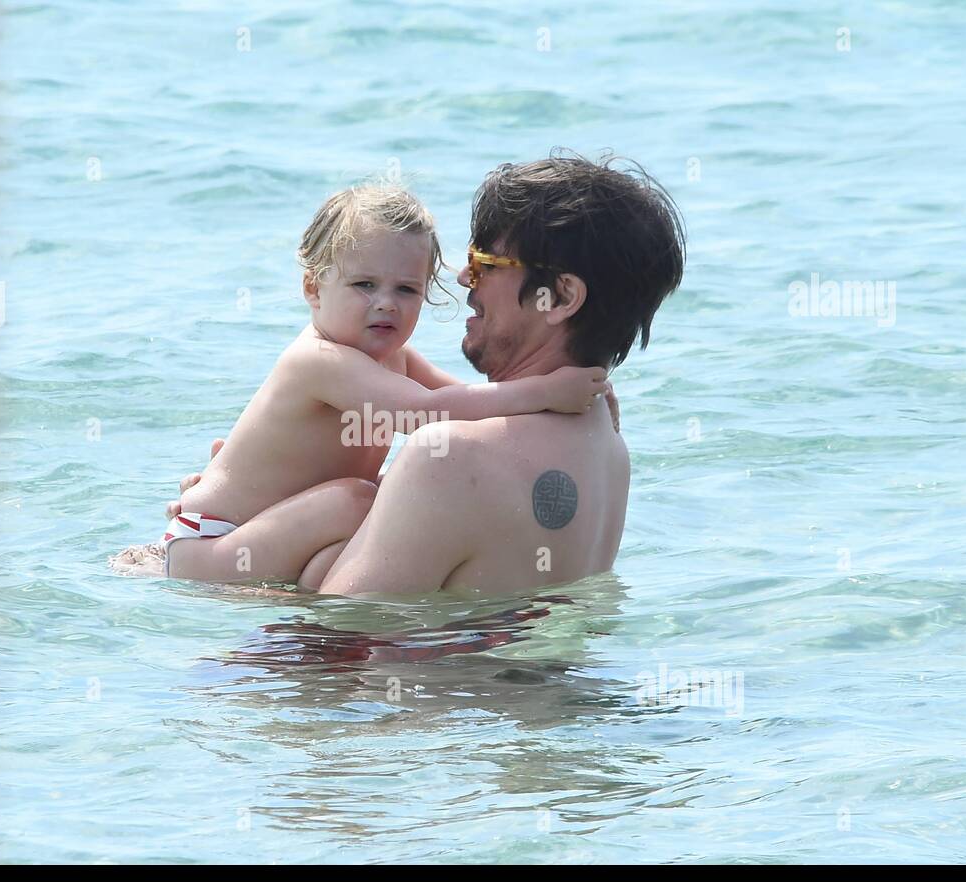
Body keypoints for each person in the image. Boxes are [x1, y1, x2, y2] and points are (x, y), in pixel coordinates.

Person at [111, 182, 612, 586]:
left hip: (278, 527)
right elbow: (429, 413)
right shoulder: (320, 360)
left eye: (406, 289)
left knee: (353, 529)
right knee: (358, 500)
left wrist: (577, 397)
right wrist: (545, 392)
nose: (386, 303)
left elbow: (472, 407)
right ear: (313, 287)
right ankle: (167, 567)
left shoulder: (395, 358)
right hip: (215, 542)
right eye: (364, 285)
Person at [318, 153, 685, 595]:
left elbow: (342, 637)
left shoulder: (450, 456)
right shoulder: (610, 450)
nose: (462, 278)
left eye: (484, 263)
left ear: (560, 296)